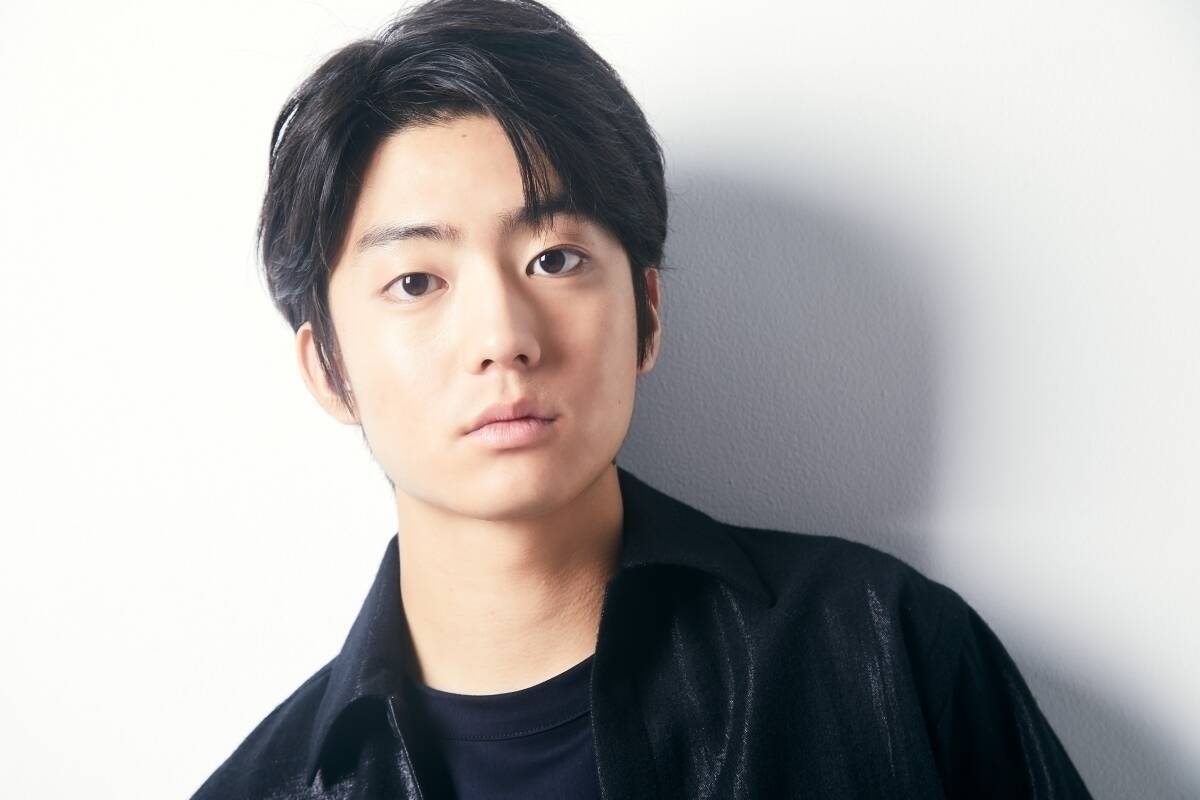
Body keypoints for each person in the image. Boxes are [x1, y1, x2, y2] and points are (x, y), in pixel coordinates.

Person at [191, 0, 1093, 797]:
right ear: (329, 369)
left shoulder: (888, 651)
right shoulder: (266, 785)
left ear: (647, 316)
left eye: (554, 259)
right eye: (417, 281)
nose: (503, 336)